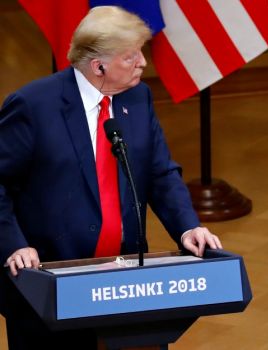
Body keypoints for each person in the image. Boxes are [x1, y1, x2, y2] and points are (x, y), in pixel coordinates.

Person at [0, 6, 222, 349]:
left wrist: (187, 226)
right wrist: (14, 244)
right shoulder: (33, 107)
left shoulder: (138, 97)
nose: (143, 63)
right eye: (130, 57)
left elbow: (159, 172)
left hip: (127, 282)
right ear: (98, 66)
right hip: (52, 283)